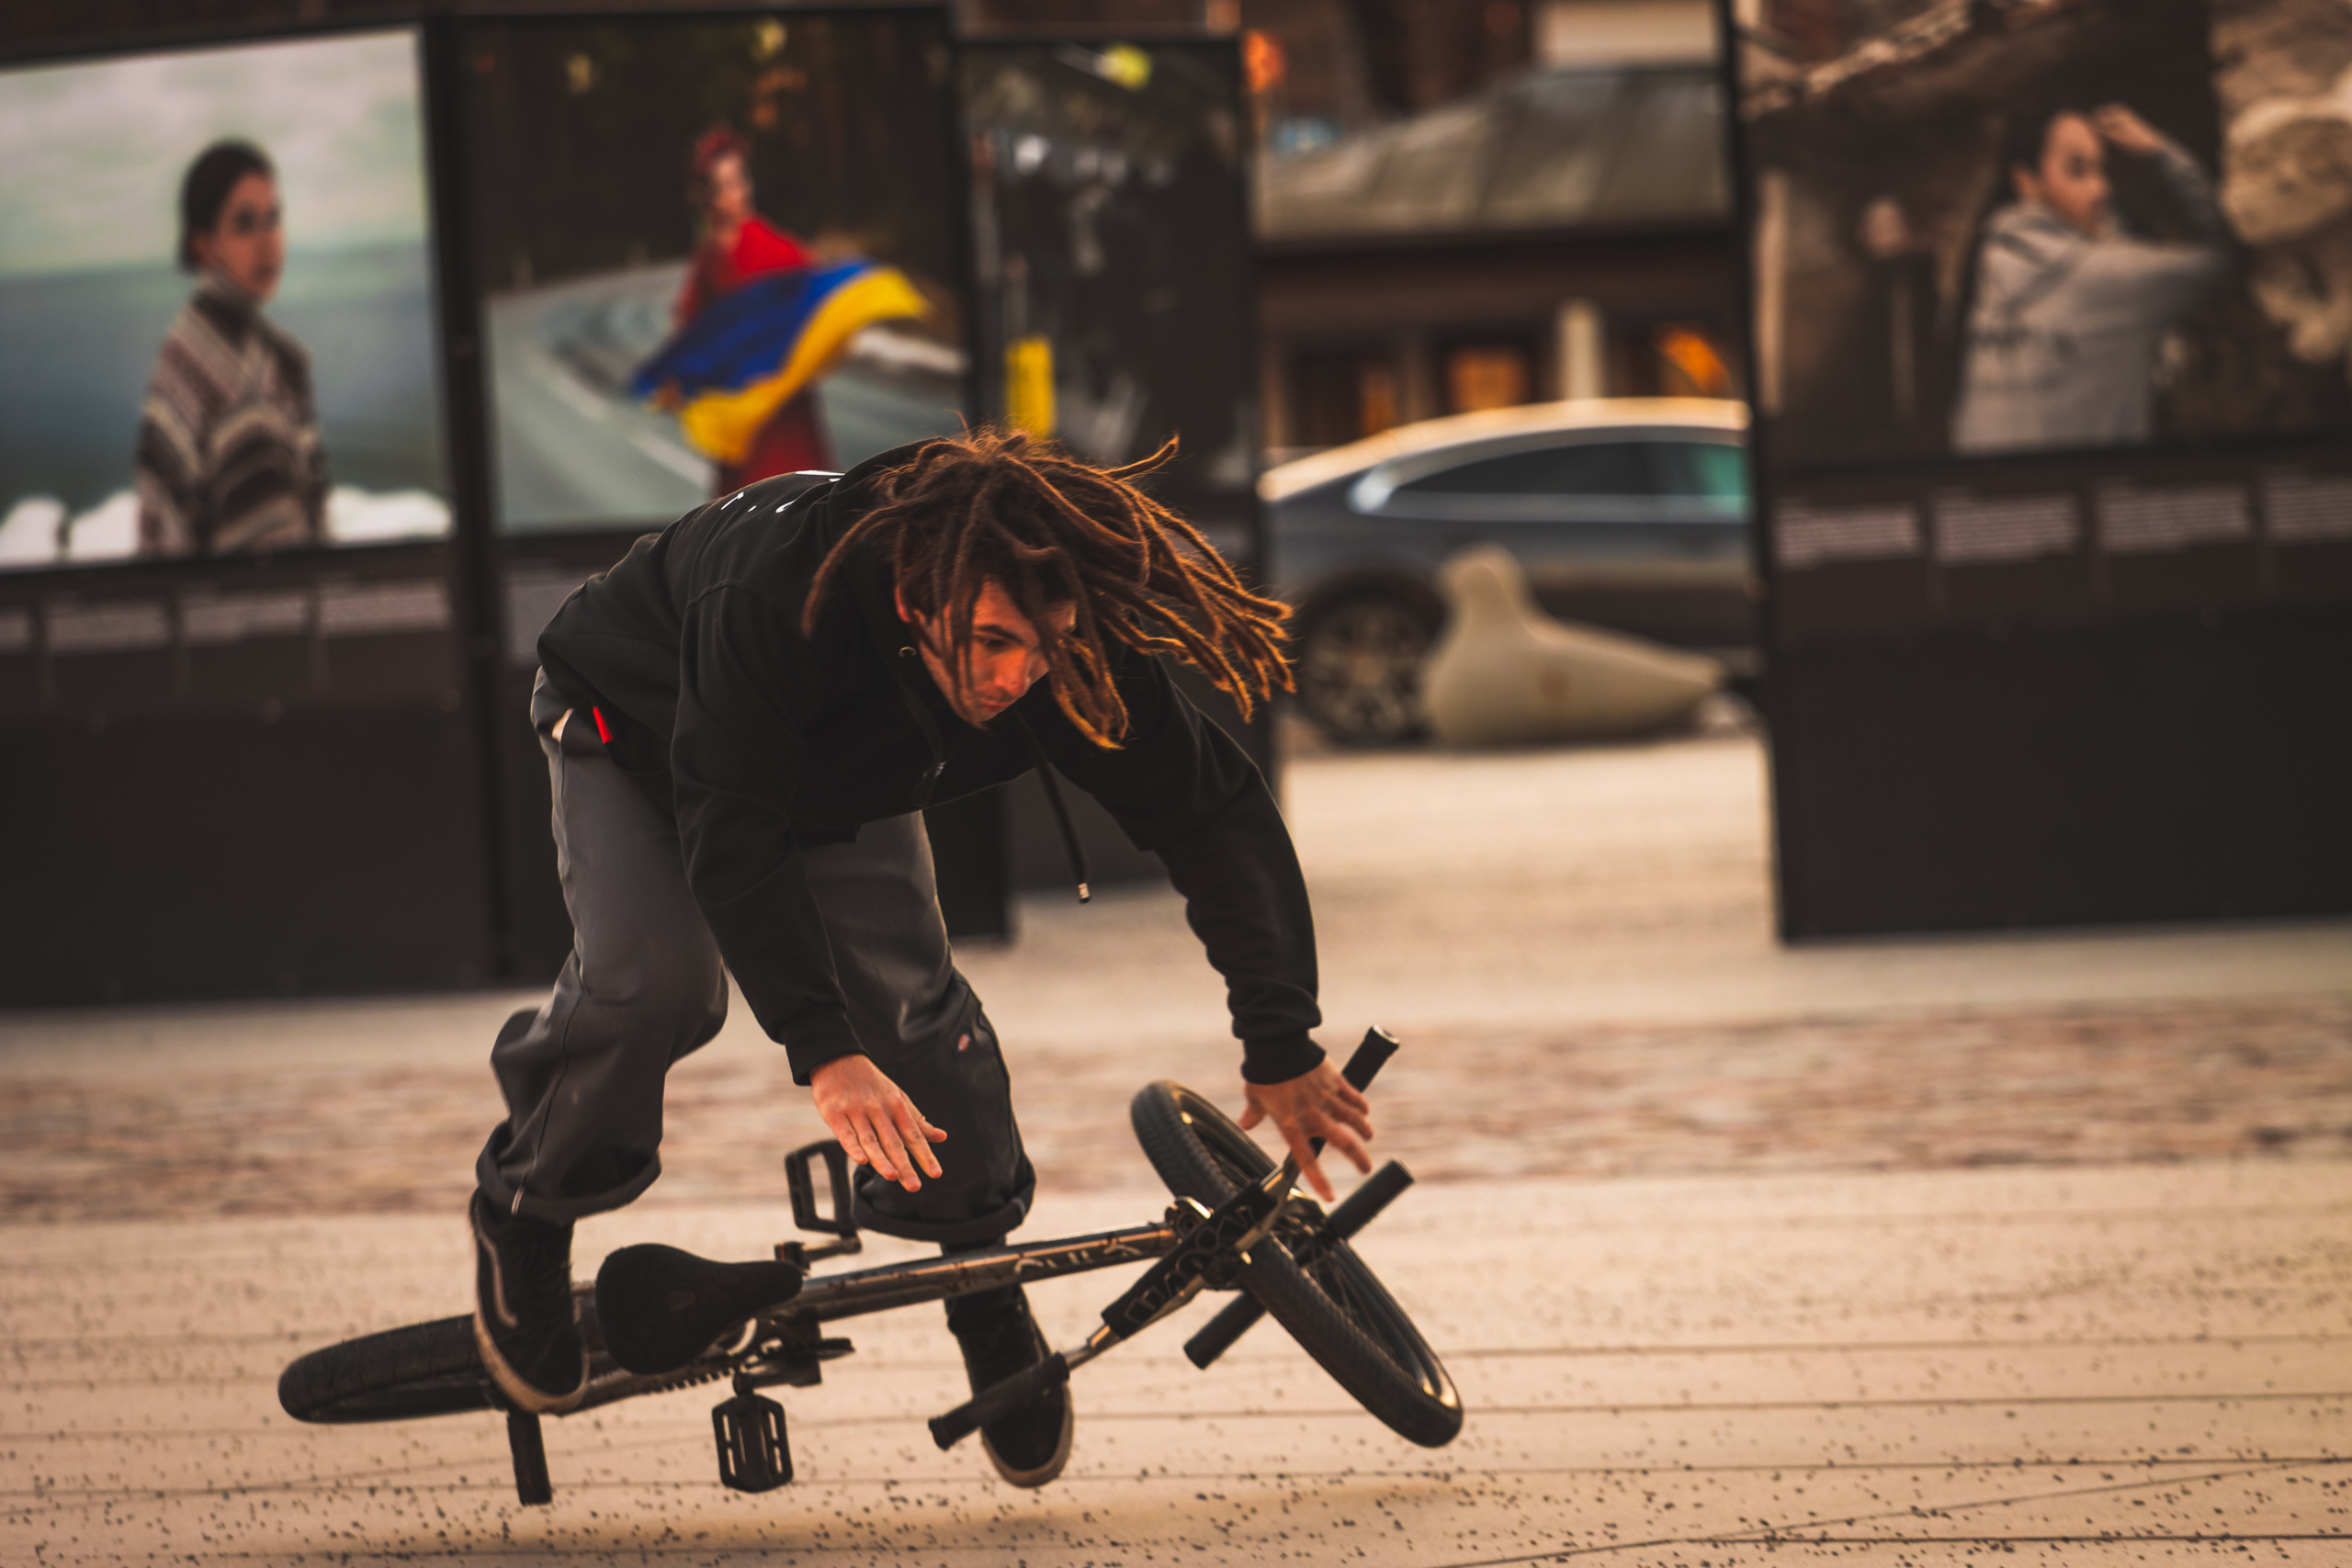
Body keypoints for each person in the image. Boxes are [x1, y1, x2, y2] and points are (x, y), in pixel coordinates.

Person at [468, 429, 1374, 1490]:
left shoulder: (1049, 638)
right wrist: (821, 1049)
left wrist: (1279, 1037)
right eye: (989, 643)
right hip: (636, 729)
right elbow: (730, 827)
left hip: (839, 778)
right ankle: (526, 1209)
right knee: (652, 984)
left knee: (915, 1019)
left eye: (1041, 647)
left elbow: (1211, 814)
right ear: (912, 599)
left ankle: (980, 1273)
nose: (1013, 679)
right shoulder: (769, 598)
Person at [1949, 103, 2233, 455]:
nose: (2101, 188)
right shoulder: (2108, 278)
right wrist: (2158, 151)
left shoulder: (1994, 258)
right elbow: (2224, 257)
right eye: (2077, 170)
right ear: (2026, 182)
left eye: (2101, 169)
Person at [134, 139, 327, 556]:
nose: (268, 242)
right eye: (244, 224)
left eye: (273, 219)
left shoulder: (273, 353)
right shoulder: (223, 376)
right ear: (205, 244)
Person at [669, 126, 831, 489]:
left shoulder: (770, 245)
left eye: (741, 179)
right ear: (704, 196)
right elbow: (690, 325)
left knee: (788, 509)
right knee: (741, 524)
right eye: (724, 185)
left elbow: (816, 299)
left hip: (781, 416)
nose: (738, 193)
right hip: (740, 422)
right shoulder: (709, 255)